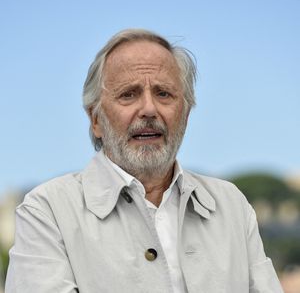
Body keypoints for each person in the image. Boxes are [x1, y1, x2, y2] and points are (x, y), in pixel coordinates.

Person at [5, 29, 283, 293]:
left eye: (164, 93)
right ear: (96, 120)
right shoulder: (47, 211)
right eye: (129, 94)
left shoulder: (231, 205)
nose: (149, 109)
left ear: (185, 115)